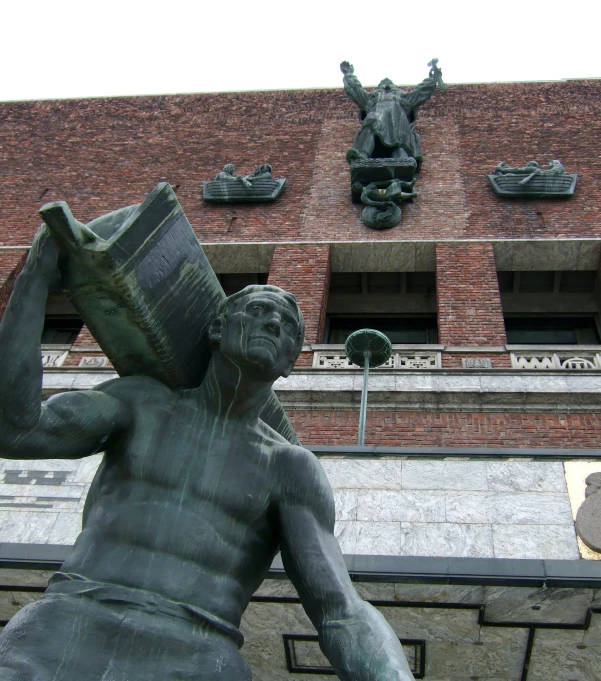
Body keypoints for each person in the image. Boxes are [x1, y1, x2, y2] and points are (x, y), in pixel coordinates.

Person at [0, 227, 415, 681]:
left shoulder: (289, 467)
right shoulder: (140, 403)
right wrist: (35, 279)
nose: (274, 324)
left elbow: (341, 610)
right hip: (64, 627)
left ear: (291, 362)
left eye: (289, 327)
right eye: (258, 311)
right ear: (219, 326)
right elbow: (17, 430)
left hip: (197, 655)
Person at [340, 61, 437, 169]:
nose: (386, 84)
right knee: (370, 123)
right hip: (376, 117)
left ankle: (401, 156)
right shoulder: (372, 98)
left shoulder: (403, 97)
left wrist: (432, 79)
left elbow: (420, 92)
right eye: (383, 83)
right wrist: (348, 74)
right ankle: (362, 155)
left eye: (389, 83)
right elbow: (356, 91)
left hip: (397, 119)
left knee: (398, 132)